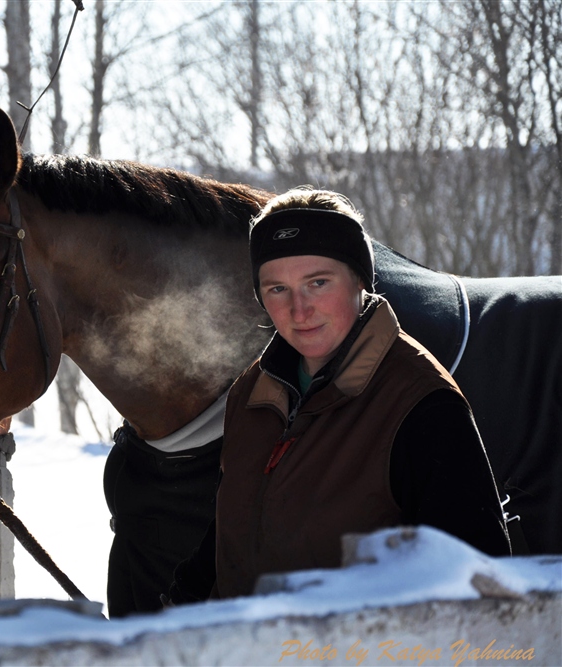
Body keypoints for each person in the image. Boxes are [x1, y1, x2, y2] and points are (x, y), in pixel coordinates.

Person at [168, 187, 511, 604]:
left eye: (318, 282)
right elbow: (231, 533)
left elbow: (475, 586)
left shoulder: (422, 404)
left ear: (360, 280)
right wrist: (176, 610)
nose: (299, 309)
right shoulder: (251, 394)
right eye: (277, 289)